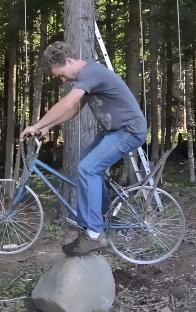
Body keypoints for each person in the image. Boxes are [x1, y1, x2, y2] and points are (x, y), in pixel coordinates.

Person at [20, 41, 147, 256]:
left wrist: (37, 124)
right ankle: (103, 216)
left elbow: (67, 103)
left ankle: (94, 235)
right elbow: (75, 109)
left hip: (129, 130)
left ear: (69, 61)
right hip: (113, 131)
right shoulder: (87, 78)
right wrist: (48, 127)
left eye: (61, 74)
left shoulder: (93, 71)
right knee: (86, 163)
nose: (63, 80)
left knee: (88, 169)